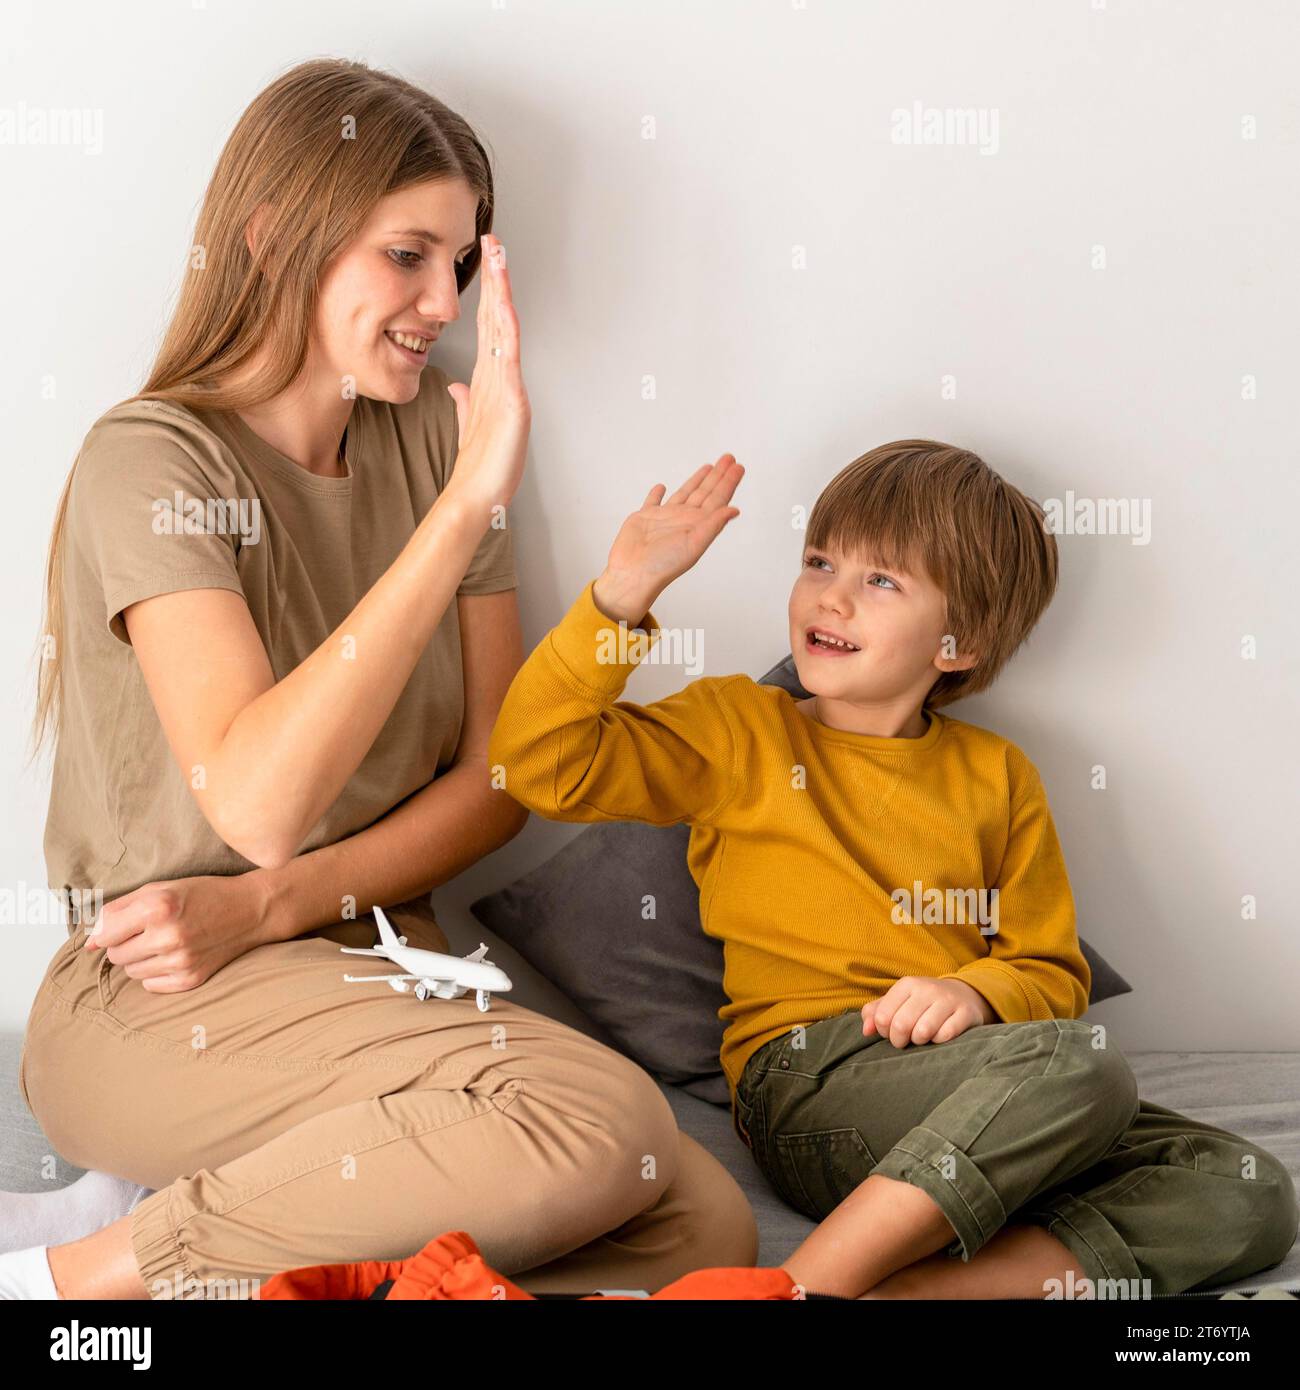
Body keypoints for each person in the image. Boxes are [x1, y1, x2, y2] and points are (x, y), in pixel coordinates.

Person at [3, 57, 754, 1301]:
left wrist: (281, 904)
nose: (441, 301)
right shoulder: (151, 460)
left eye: (461, 263)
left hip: (367, 968)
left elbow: (501, 778)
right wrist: (463, 509)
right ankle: (72, 1281)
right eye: (408, 254)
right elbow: (255, 803)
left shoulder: (428, 440)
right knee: (596, 1118)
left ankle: (248, 1247)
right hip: (156, 994)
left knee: (699, 1220)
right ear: (273, 236)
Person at [484, 443, 1300, 1299]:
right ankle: (798, 1288)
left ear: (962, 642)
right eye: (819, 561)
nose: (830, 594)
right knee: (1079, 1066)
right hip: (812, 1083)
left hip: (976, 1082)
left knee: (1245, 1189)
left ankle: (876, 1296)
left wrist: (976, 993)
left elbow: (1050, 971)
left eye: (882, 581)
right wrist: (622, 593)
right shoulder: (739, 728)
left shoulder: (998, 774)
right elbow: (537, 762)